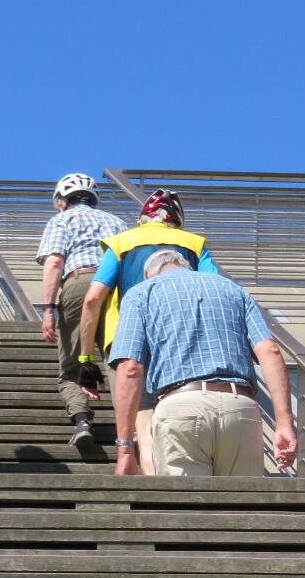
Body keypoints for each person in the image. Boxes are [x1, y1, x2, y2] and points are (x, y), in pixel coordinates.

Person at [109, 249, 297, 477]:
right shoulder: (233, 290)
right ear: (188, 267)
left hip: (180, 407)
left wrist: (125, 447)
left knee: (187, 500)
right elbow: (270, 350)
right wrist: (284, 424)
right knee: (241, 498)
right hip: (240, 407)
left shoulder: (141, 293)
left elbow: (130, 368)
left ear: (148, 274)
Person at [77, 188, 219, 473]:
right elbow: (214, 289)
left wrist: (85, 358)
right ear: (175, 220)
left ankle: (151, 482)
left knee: (142, 420)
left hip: (129, 343)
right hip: (182, 342)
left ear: (141, 219)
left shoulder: (120, 242)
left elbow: (92, 299)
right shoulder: (193, 243)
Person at [36, 173, 127, 448]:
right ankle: (130, 430)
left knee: (72, 366)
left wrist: (49, 309)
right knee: (118, 360)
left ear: (61, 201)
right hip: (115, 288)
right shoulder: (117, 222)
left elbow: (54, 263)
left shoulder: (61, 220)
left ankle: (82, 421)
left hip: (79, 282)